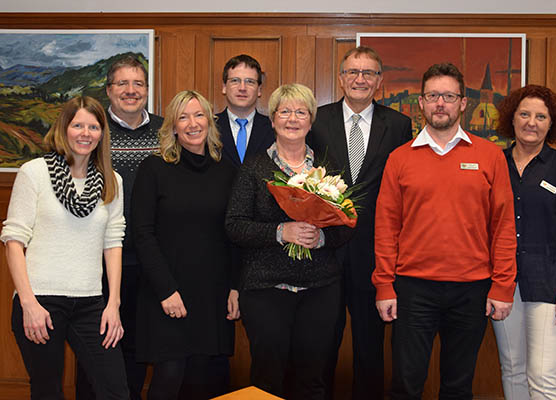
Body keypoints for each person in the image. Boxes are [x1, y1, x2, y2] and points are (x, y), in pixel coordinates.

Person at [372, 62, 517, 399]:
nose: (441, 103)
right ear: (421, 102)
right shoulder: (400, 158)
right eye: (433, 96)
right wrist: (384, 286)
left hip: (472, 290)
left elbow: (504, 225)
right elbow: (386, 226)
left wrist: (503, 285)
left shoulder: (490, 156)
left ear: (463, 103)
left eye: (449, 96)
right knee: (406, 385)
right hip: (412, 289)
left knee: (458, 386)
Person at [225, 83, 353, 400]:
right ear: (273, 120)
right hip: (266, 290)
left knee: (313, 379)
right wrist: (282, 233)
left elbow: (348, 223)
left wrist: (322, 237)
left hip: (320, 290)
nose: (292, 119)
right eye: (284, 111)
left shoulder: (329, 169)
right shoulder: (254, 168)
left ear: (310, 121)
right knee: (267, 381)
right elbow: (235, 226)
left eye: (300, 112)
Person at [1, 96, 129, 400]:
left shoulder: (112, 181)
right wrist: (28, 304)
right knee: (48, 392)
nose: (85, 133)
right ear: (64, 128)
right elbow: (14, 241)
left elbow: (113, 242)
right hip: (41, 302)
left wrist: (113, 304)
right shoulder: (34, 173)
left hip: (91, 304)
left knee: (116, 390)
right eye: (78, 125)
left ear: (102, 133)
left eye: (94, 127)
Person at [307, 45, 412, 400]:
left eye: (368, 73)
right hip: (325, 252)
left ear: (379, 82)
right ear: (340, 78)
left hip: (375, 254)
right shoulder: (315, 121)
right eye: (353, 72)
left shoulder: (399, 125)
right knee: (322, 342)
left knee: (370, 347)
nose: (360, 79)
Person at [131, 90, 237, 400]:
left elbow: (234, 234)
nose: (192, 123)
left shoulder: (226, 171)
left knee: (201, 381)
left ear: (210, 121)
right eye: (183, 116)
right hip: (166, 292)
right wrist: (166, 290)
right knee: (168, 378)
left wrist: (234, 286)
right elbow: (143, 233)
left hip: (211, 295)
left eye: (199, 115)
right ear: (173, 126)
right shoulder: (154, 168)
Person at [492, 85, 556, 400]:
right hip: (503, 285)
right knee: (513, 370)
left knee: (544, 376)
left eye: (540, 116)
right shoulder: (496, 163)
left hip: (550, 286)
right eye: (524, 114)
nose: (531, 122)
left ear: (551, 123)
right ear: (512, 118)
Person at [76, 55, 163, 400]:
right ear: (108, 90)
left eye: (138, 84)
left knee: (136, 346)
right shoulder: (91, 131)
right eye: (122, 84)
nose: (131, 91)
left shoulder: (165, 130)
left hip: (149, 261)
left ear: (147, 89)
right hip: (95, 260)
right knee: (94, 346)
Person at [216, 54, 275, 167]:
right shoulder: (208, 126)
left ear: (259, 90)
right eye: (235, 81)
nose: (242, 88)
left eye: (250, 82)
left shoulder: (273, 129)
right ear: (224, 87)